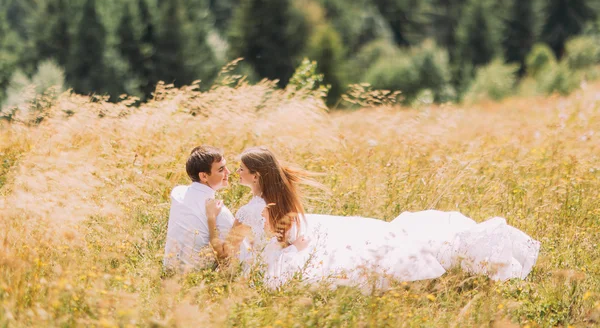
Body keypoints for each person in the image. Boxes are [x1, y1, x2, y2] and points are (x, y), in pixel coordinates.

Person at [207, 147, 541, 290]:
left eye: (241, 169)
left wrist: (211, 222)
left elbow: (227, 252)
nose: (236, 172)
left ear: (256, 176)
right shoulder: (275, 198)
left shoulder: (252, 209)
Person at [163, 145, 235, 271]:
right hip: (195, 279)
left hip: (168, 272)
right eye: (221, 169)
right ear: (204, 176)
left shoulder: (178, 193)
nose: (228, 172)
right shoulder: (221, 212)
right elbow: (227, 258)